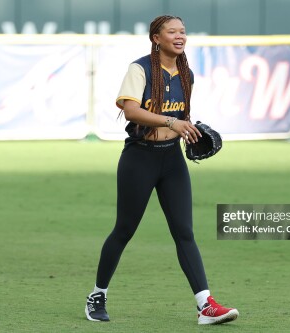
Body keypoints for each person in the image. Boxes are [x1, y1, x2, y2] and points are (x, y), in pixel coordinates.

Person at [85, 15, 239, 325]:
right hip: (139, 159)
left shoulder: (186, 74)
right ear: (157, 38)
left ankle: (205, 305)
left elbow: (180, 116)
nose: (179, 36)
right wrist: (172, 122)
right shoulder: (139, 68)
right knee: (124, 230)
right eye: (172, 31)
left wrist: (188, 131)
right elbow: (130, 110)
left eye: (183, 31)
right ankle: (97, 296)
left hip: (172, 161)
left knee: (184, 232)